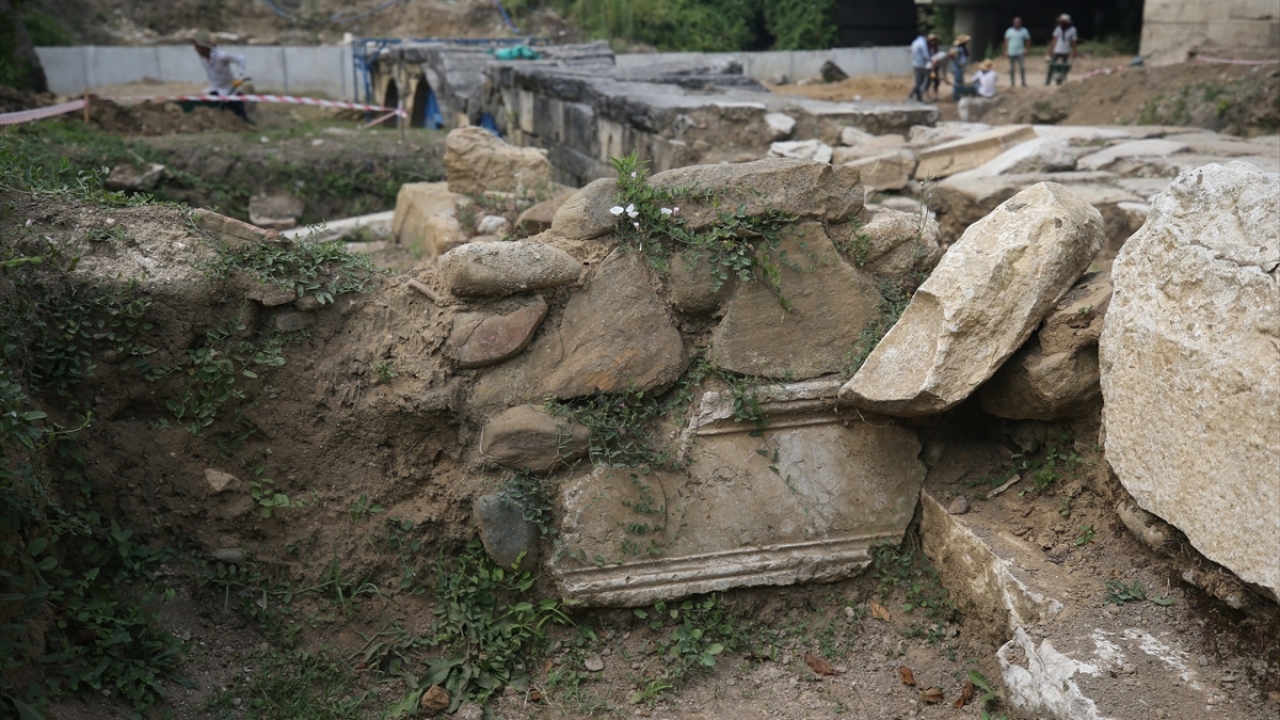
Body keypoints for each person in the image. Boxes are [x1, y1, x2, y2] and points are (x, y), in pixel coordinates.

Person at [192, 32, 249, 120]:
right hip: (215, 90)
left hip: (230, 90)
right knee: (216, 116)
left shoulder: (221, 56)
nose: (195, 50)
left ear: (204, 47)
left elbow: (241, 59)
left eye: (197, 47)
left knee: (241, 117)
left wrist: (239, 76)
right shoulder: (202, 57)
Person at [1046, 14, 1078, 86]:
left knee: (1065, 67)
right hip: (1057, 50)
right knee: (1051, 66)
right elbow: (1054, 40)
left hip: (1066, 51)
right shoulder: (1058, 29)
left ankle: (1061, 80)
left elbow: (1074, 42)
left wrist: (1075, 51)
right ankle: (1048, 81)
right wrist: (1050, 50)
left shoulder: (1073, 30)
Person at [1003, 16, 1031, 87]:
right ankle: (1012, 83)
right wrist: (1005, 50)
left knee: (1022, 67)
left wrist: (1026, 49)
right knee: (1012, 68)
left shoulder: (1024, 31)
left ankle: (1023, 82)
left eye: (1018, 22)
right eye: (1015, 22)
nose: (1017, 24)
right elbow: (1006, 40)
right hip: (1011, 52)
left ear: (1021, 23)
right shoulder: (1009, 31)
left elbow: (1028, 40)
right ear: (1013, 23)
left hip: (1020, 51)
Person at [909, 31, 933, 101]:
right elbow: (925, 54)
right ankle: (916, 96)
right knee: (922, 82)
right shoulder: (923, 43)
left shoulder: (915, 42)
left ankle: (914, 96)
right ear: (925, 35)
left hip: (915, 64)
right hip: (922, 64)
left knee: (918, 81)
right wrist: (929, 60)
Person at [950, 34, 971, 101]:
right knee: (958, 82)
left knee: (960, 81)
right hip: (958, 67)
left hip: (960, 67)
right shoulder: (957, 49)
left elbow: (967, 54)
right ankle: (955, 96)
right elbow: (954, 57)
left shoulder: (962, 48)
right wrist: (959, 64)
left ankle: (958, 94)